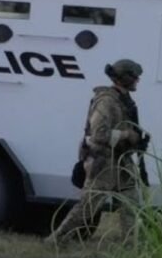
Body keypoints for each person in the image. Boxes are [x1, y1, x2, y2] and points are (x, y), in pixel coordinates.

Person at [45, 59, 149, 245]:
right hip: (104, 162)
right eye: (134, 77)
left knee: (131, 205)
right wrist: (127, 134)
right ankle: (56, 240)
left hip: (121, 161)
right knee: (88, 207)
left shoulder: (123, 100)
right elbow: (98, 135)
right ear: (123, 78)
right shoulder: (106, 101)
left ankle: (131, 244)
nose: (137, 80)